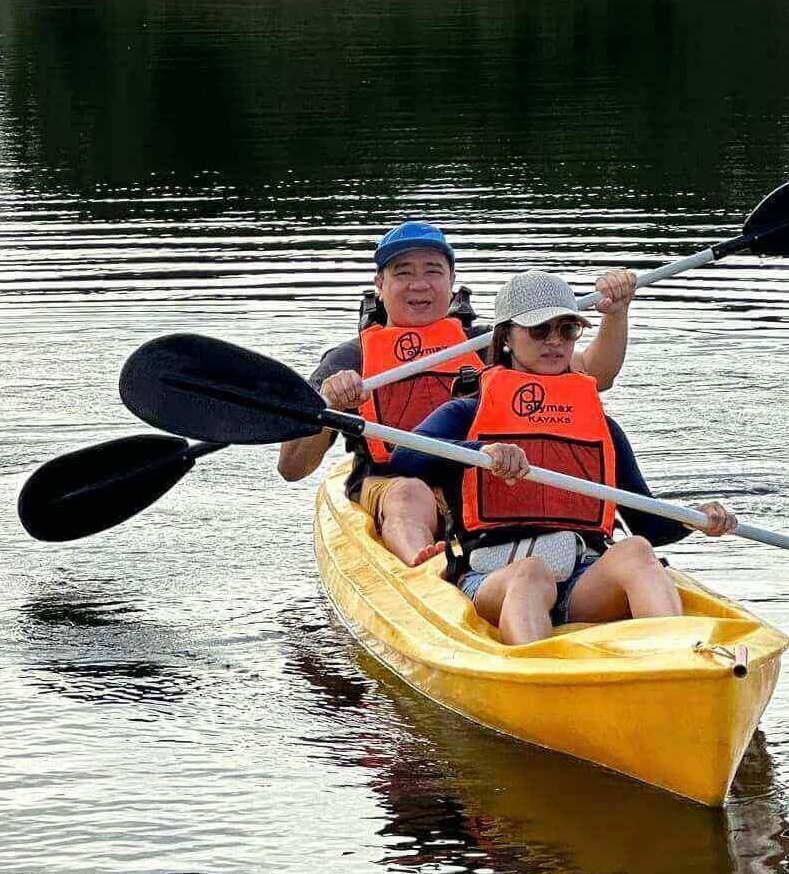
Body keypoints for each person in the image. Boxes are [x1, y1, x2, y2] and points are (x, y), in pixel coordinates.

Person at [387, 269, 736, 643]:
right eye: (539, 330)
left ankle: (678, 661)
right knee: (531, 574)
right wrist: (480, 452)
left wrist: (697, 520)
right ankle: (532, 676)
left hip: (581, 580)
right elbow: (404, 458)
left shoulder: (601, 426)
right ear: (506, 337)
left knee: (636, 551)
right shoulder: (466, 413)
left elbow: (647, 524)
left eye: (566, 330)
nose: (554, 342)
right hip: (494, 579)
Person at [278, 223, 639, 569]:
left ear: (451, 283)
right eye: (403, 272)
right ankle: (426, 570)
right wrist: (329, 403)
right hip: (392, 481)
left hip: (485, 483)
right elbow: (292, 468)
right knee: (410, 493)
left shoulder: (485, 345)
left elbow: (596, 372)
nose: (419, 284)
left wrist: (616, 315)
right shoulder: (348, 359)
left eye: (433, 271)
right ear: (380, 284)